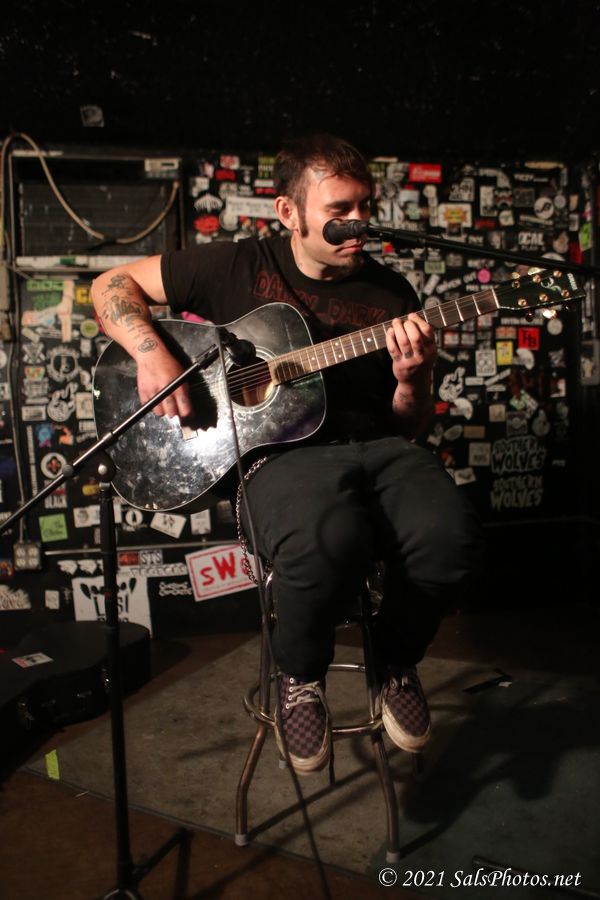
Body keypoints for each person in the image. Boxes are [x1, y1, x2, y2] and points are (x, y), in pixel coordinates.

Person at [91, 134, 482, 776]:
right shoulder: (236, 265)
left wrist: (413, 378)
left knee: (451, 538)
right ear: (288, 212)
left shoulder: (392, 294)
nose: (359, 222)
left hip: (380, 448)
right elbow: (113, 282)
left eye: (365, 206)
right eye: (340, 210)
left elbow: (408, 426)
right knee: (328, 535)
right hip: (277, 458)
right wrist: (152, 353)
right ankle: (300, 676)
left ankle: (395, 660)